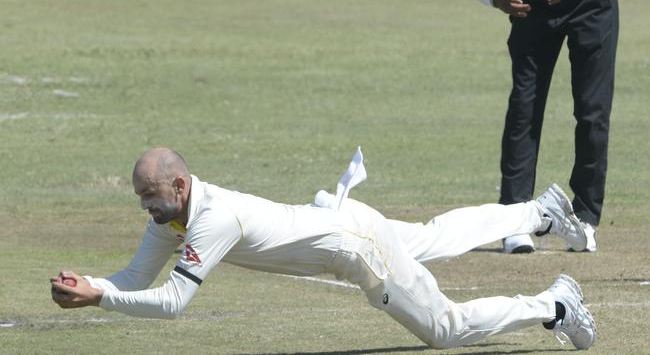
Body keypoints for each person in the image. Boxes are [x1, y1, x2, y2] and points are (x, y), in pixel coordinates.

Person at [51, 148, 595, 350]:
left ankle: (555, 303)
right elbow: (134, 279)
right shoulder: (168, 221)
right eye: (140, 198)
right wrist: (95, 286)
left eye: (150, 195)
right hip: (339, 219)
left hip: (358, 248)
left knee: (447, 330)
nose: (144, 206)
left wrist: (100, 302)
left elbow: (172, 302)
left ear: (180, 185)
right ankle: (538, 212)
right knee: (433, 234)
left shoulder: (212, 219)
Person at [469, 0, 618, 253]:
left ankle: (585, 218)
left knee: (592, 111)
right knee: (524, 108)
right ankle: (514, 219)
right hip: (530, 5)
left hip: (591, 0)